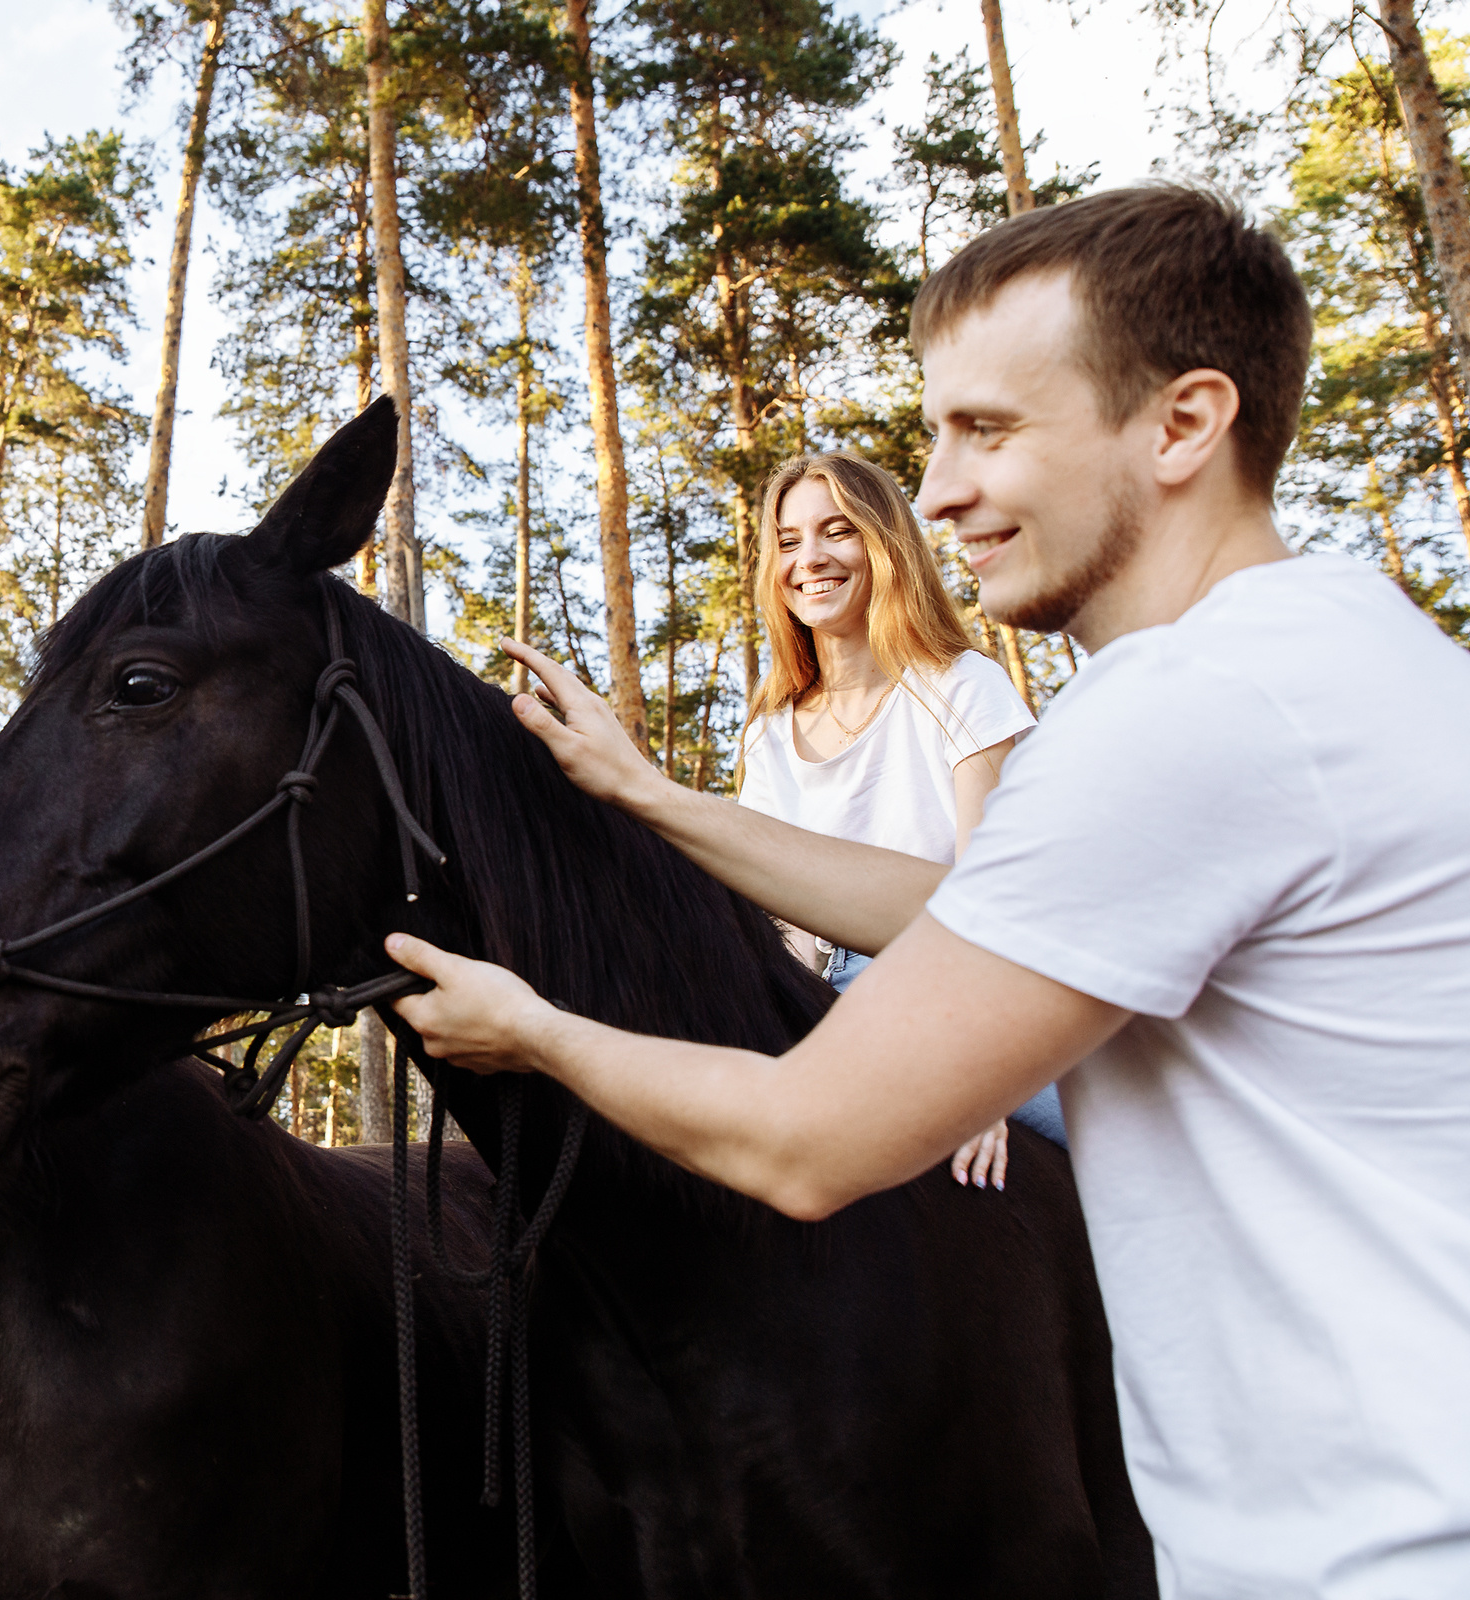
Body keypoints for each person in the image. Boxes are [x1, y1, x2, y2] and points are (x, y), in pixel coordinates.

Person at [384, 184, 1470, 1596]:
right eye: (939, 432)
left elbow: (807, 1141)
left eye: (991, 430)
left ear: (1184, 424)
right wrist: (651, 798)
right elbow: (970, 920)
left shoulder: (1190, 709)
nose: (942, 489)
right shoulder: (1349, 650)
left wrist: (531, 1030)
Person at [735, 449, 1039, 1186]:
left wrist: (979, 1072)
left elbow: (995, 899)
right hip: (817, 1000)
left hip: (948, 985)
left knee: (1125, 1130)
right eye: (787, 541)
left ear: (884, 544)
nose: (809, 558)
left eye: (836, 532)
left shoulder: (964, 687)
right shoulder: (769, 732)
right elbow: (781, 930)